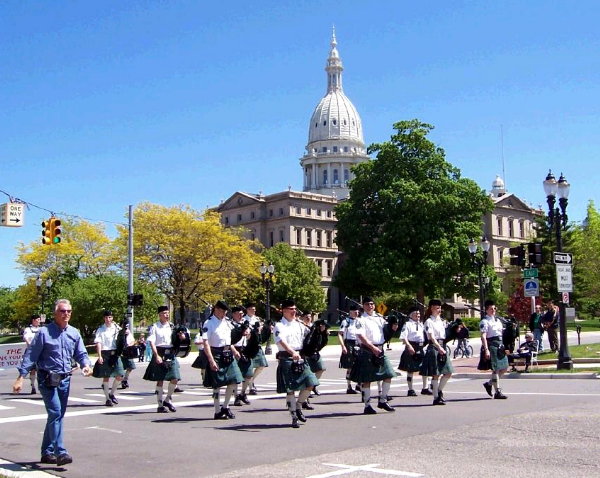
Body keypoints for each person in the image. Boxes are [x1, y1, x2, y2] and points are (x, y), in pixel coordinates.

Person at [13, 299, 92, 466]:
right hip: (47, 378)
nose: (66, 314)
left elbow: (81, 353)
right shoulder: (44, 332)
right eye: (63, 311)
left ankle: (46, 452)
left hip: (65, 379)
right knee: (55, 413)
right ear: (55, 313)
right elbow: (31, 355)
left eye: (69, 311)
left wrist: (86, 365)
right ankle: (60, 452)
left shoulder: (74, 332)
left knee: (57, 415)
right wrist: (21, 377)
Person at [274, 299, 319, 428]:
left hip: (300, 357)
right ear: (284, 310)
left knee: (311, 382)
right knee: (291, 390)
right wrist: (292, 352)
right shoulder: (279, 325)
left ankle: (299, 405)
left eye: (295, 309)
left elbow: (309, 337)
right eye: (291, 309)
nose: (294, 311)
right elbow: (281, 341)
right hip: (287, 358)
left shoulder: (299, 324)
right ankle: (293, 416)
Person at [349, 297, 397, 414]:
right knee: (367, 380)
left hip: (380, 349)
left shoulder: (379, 318)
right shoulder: (360, 320)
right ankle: (367, 405)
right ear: (363, 306)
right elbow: (361, 336)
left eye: (372, 304)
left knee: (389, 374)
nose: (370, 306)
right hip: (367, 350)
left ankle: (383, 400)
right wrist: (372, 348)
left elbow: (386, 331)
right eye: (367, 304)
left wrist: (393, 327)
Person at [202, 300, 243, 419]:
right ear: (216, 310)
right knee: (217, 384)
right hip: (216, 353)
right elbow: (205, 343)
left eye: (225, 311)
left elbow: (228, 340)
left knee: (234, 380)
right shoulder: (208, 323)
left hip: (228, 353)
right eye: (222, 311)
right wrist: (211, 360)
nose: (224, 314)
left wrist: (234, 351)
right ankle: (217, 410)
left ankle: (225, 407)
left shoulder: (226, 322)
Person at [143, 306, 181, 413]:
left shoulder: (172, 326)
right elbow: (152, 342)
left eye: (167, 313)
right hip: (159, 352)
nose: (167, 315)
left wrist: (181, 337)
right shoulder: (154, 327)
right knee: (160, 379)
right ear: (159, 315)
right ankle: (160, 405)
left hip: (170, 354)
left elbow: (176, 339)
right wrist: (156, 356)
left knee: (175, 378)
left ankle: (168, 399)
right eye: (164, 313)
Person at [419, 299, 454, 405]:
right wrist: (439, 348)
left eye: (440, 308)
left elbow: (445, 336)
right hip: (434, 348)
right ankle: (436, 398)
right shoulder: (428, 322)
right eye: (437, 308)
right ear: (431, 308)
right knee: (436, 374)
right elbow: (431, 337)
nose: (439, 310)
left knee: (448, 372)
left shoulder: (441, 321)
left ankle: (438, 390)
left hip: (442, 346)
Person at [92, 310, 125, 407]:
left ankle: (112, 393)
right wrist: (99, 356)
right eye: (106, 317)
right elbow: (98, 343)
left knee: (120, 375)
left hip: (115, 354)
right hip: (105, 353)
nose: (108, 319)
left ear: (112, 318)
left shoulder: (117, 328)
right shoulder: (100, 329)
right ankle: (107, 399)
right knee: (106, 377)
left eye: (110, 317)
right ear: (104, 318)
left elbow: (122, 339)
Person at [478, 299, 509, 399]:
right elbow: (483, 336)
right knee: (495, 369)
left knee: (504, 368)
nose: (493, 310)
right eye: (491, 309)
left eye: (494, 308)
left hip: (500, 345)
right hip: (492, 345)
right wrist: (486, 349)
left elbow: (501, 333)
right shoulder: (484, 321)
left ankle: (489, 384)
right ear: (486, 310)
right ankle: (497, 392)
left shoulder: (498, 320)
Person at [398, 306, 427, 397]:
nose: (418, 315)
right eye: (416, 313)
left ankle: (425, 388)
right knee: (410, 370)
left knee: (424, 368)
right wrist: (409, 346)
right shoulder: (407, 325)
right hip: (411, 347)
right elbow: (403, 337)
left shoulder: (421, 324)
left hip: (420, 347)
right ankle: (410, 389)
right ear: (411, 315)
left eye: (419, 313)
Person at [230, 306, 254, 407]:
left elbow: (251, 335)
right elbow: (227, 340)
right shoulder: (230, 325)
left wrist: (249, 334)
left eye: (242, 314)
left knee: (249, 374)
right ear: (233, 314)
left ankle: (243, 393)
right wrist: (234, 351)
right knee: (235, 376)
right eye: (239, 314)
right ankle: (236, 397)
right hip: (235, 349)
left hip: (245, 349)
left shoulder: (245, 324)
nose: (241, 316)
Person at [243, 302, 269, 395]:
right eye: (251, 309)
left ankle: (251, 381)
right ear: (247, 310)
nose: (254, 311)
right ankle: (250, 387)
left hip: (257, 344)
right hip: (248, 345)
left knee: (261, 365)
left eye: (254, 309)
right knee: (249, 367)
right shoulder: (243, 319)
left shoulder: (257, 319)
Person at [338, 304, 360, 394]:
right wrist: (343, 346)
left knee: (360, 365)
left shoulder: (359, 321)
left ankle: (359, 384)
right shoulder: (346, 322)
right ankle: (349, 386)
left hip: (359, 344)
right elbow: (340, 334)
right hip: (349, 344)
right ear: (350, 312)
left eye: (358, 311)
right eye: (355, 311)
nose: (357, 312)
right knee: (350, 366)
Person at [22, 314, 42, 394]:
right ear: (33, 320)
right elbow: (26, 338)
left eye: (39, 319)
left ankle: (41, 386)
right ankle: (33, 386)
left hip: (41, 352)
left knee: (42, 369)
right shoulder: (28, 329)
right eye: (38, 319)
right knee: (32, 370)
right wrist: (31, 345)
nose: (39, 321)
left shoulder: (41, 329)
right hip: (31, 352)